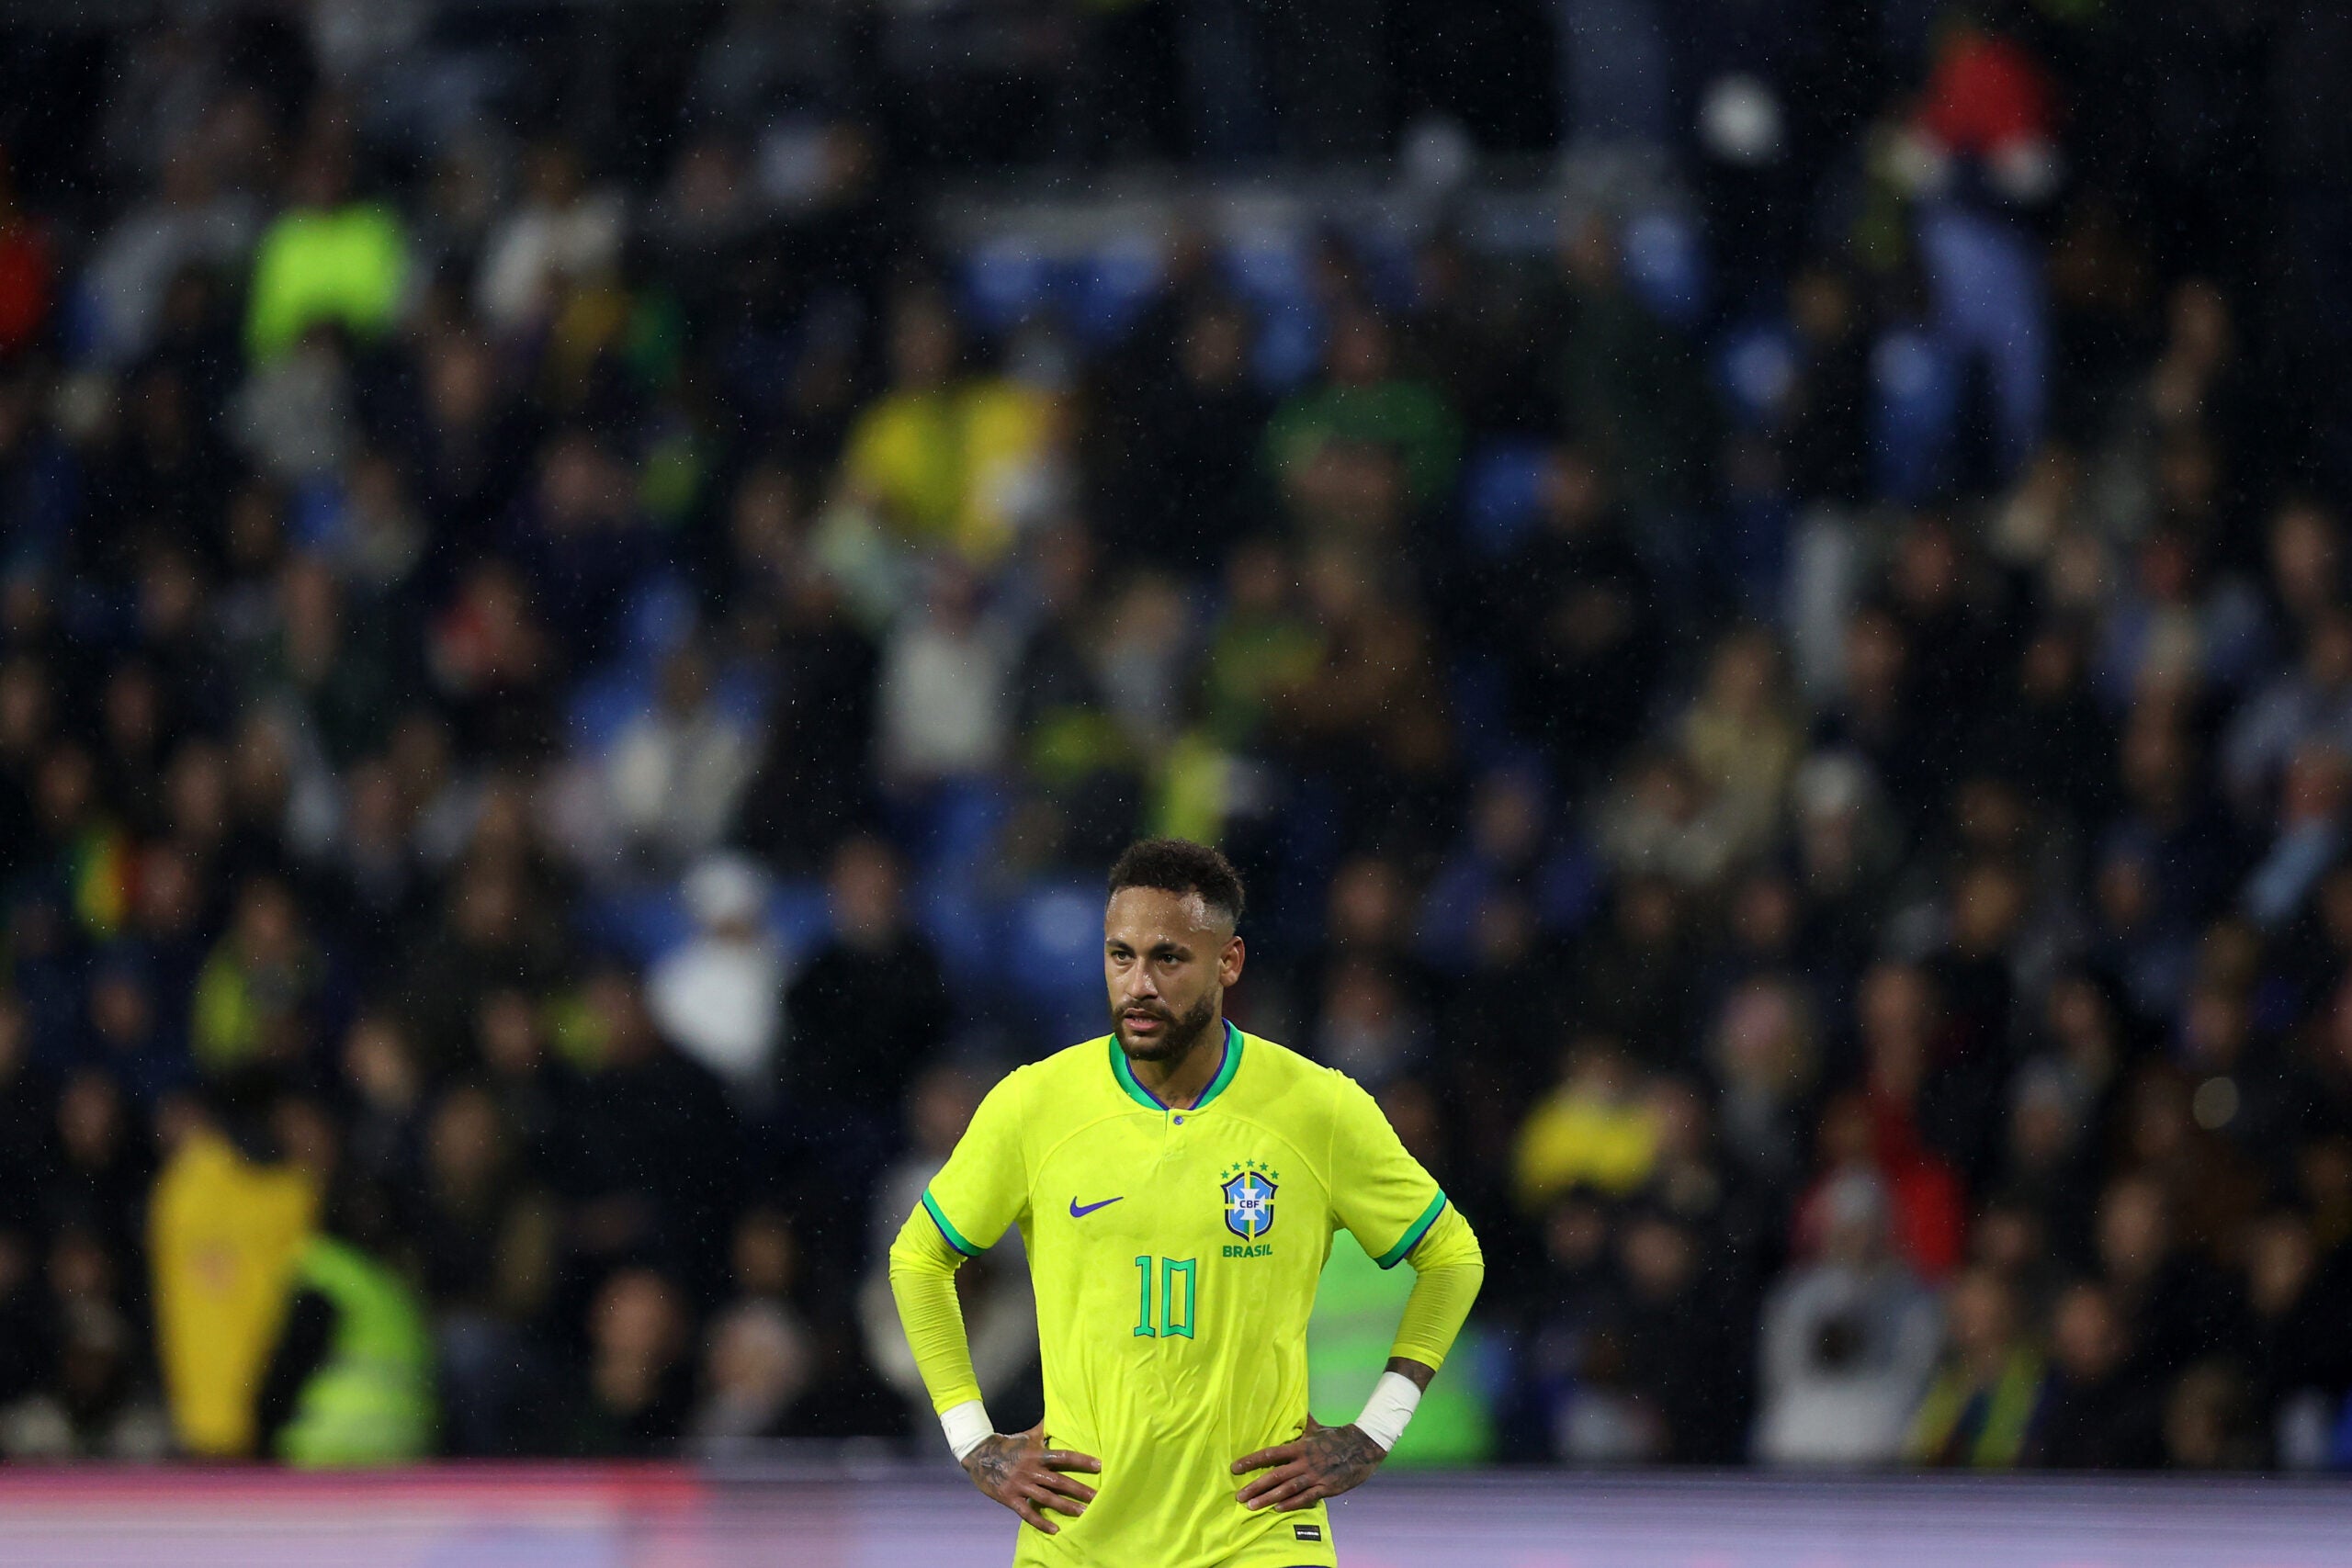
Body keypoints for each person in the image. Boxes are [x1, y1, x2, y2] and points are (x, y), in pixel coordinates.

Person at [888, 838, 1484, 1568]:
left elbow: (1452, 1254)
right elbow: (918, 1256)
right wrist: (973, 1440)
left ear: (1228, 962)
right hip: (1081, 1537)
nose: (1138, 983)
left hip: (1260, 1533)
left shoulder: (1317, 1109)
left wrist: (1375, 1429)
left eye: (1168, 958)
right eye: (1120, 955)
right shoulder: (1033, 1104)